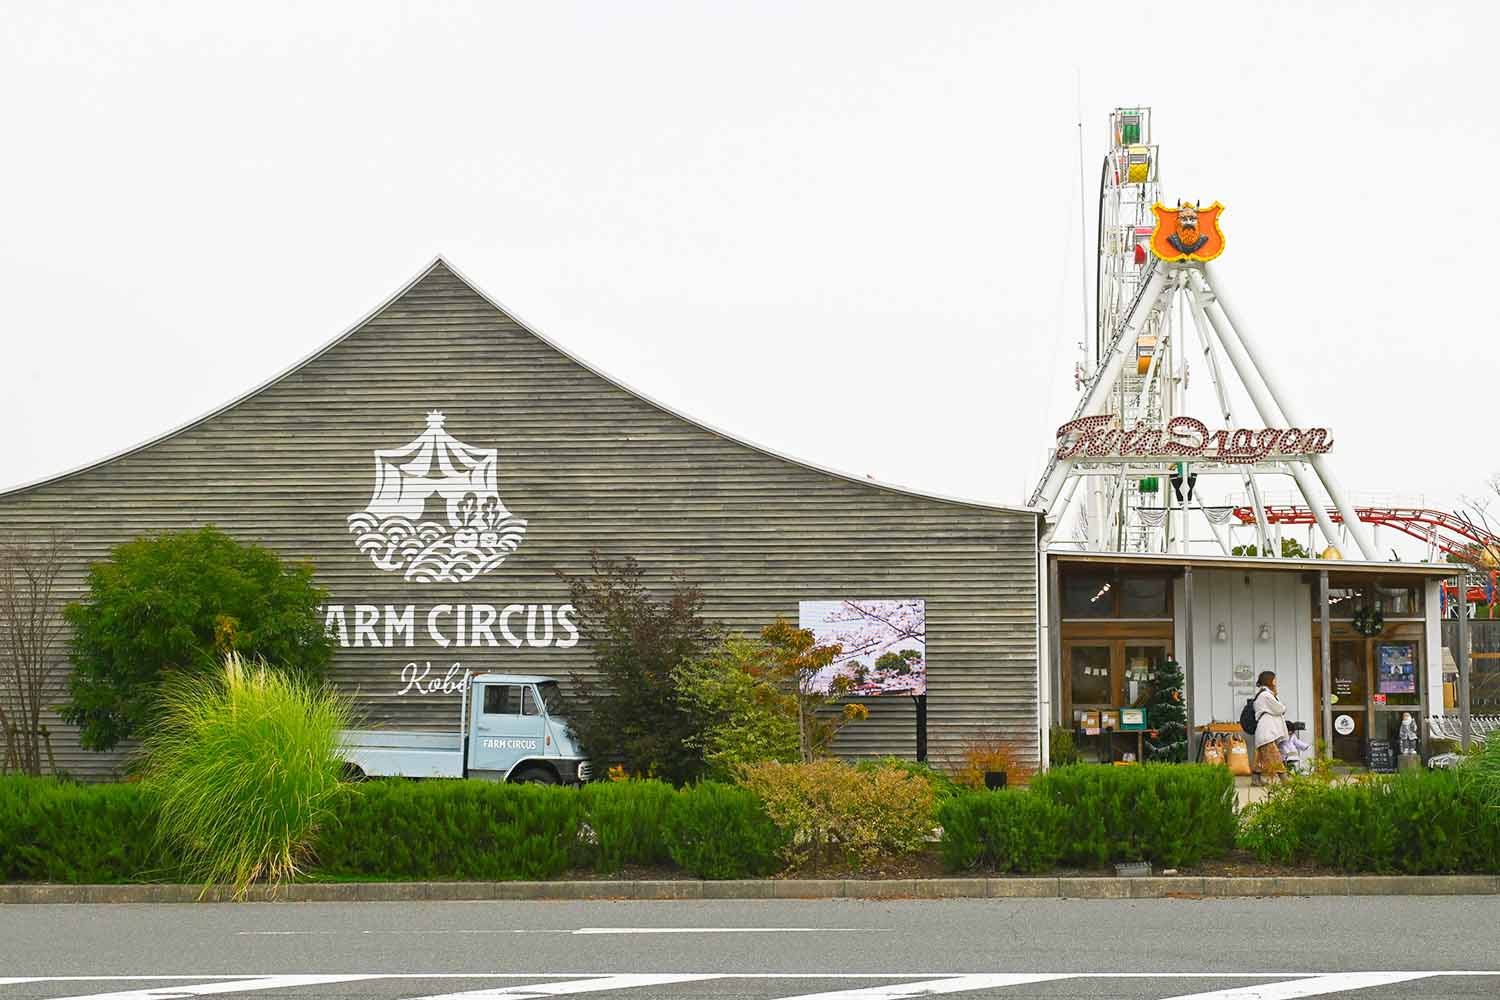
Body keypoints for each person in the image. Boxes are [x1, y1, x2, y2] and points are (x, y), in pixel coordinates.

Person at [1251, 670, 1290, 785]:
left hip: (1265, 731)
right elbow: (1280, 709)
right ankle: (1284, 779)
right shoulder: (1266, 695)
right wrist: (1282, 705)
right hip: (1266, 731)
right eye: (1274, 679)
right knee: (1274, 755)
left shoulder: (1264, 694)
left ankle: (1255, 779)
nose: (1276, 682)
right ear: (1270, 680)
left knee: (1260, 757)